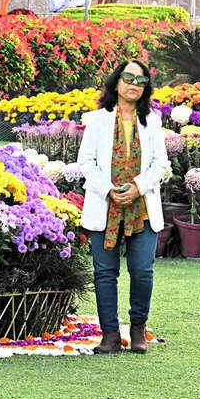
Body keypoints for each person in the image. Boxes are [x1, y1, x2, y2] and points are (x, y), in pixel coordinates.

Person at [76, 59, 169, 355]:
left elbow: (161, 164)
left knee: (142, 270)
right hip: (105, 206)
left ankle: (138, 329)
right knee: (105, 272)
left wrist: (138, 187)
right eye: (128, 78)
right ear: (116, 81)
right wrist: (109, 190)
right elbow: (86, 162)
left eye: (140, 81)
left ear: (145, 89)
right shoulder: (97, 119)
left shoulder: (152, 121)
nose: (133, 84)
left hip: (141, 208)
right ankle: (110, 335)